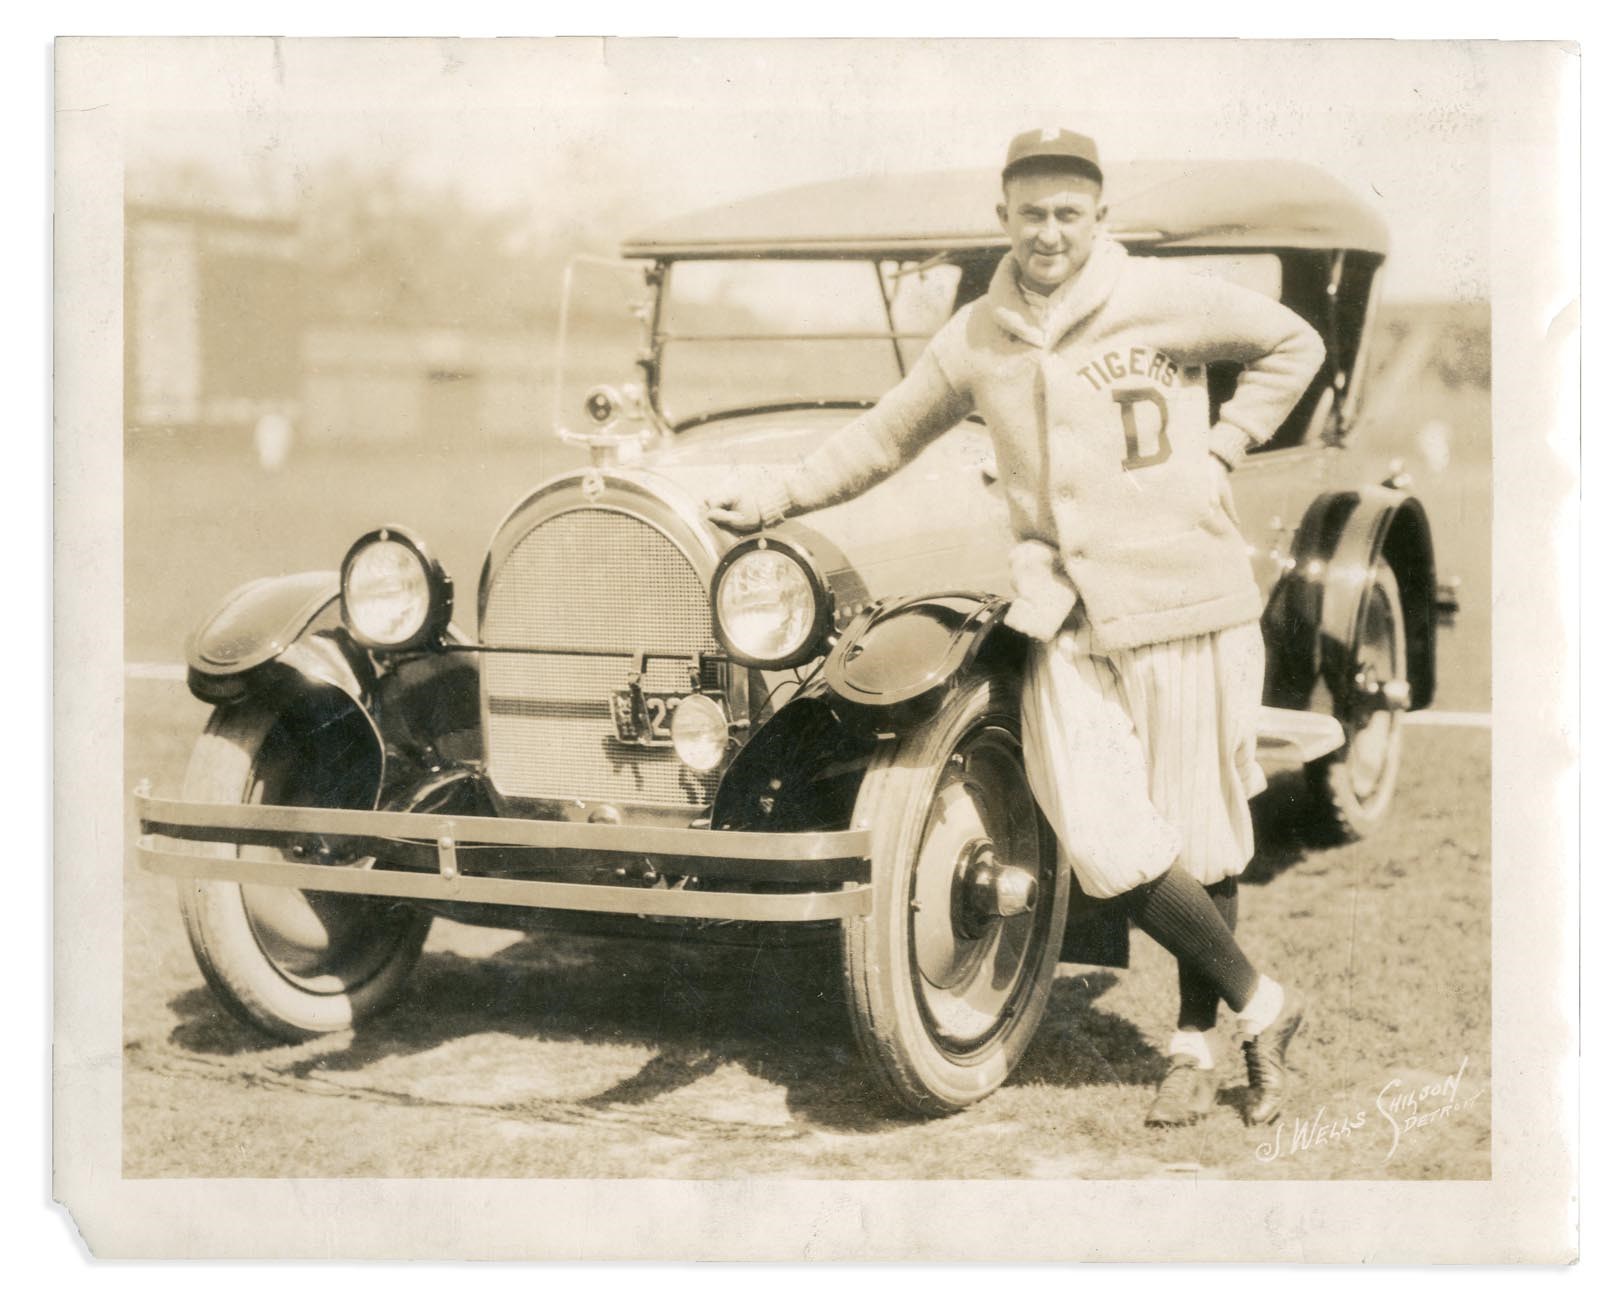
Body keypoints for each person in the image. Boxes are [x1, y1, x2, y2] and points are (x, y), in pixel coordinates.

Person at [705, 127, 1324, 1129]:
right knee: (1105, 836)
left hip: (1185, 602)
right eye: (1030, 212)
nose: (1048, 231)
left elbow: (1294, 342)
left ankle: (1195, 1044)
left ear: (1099, 215)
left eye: (1067, 213)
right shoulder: (977, 336)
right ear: (1003, 216)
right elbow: (881, 436)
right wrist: (773, 496)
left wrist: (1224, 444)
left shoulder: (1156, 296)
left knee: (1198, 837)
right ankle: (1266, 1003)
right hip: (1065, 613)